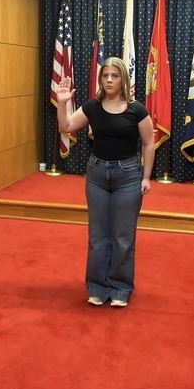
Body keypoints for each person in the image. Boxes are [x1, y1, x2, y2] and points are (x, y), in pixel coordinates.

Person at [56, 57, 155, 308]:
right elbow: (66, 125)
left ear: (123, 79)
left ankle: (120, 287)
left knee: (123, 235)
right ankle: (98, 286)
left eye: (114, 76)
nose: (109, 80)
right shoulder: (92, 107)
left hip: (128, 176)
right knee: (98, 234)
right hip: (97, 175)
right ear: (100, 79)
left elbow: (149, 143)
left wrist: (146, 177)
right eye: (105, 76)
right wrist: (62, 103)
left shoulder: (137, 110)